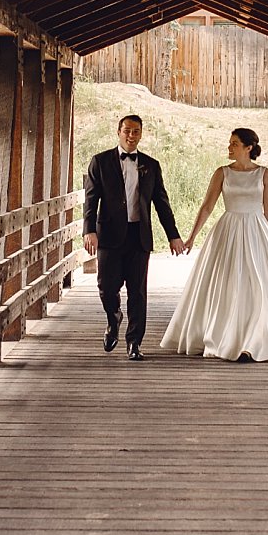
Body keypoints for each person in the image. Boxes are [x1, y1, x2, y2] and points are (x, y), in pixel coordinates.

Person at [159, 127, 268, 363]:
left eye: (234, 143)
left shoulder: (264, 174)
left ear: (248, 147)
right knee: (227, 283)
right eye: (230, 143)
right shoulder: (222, 173)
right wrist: (192, 237)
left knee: (259, 285)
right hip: (228, 229)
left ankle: (253, 341)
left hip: (257, 230)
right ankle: (225, 337)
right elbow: (207, 207)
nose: (229, 147)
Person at [82, 114, 184, 360]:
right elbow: (90, 200)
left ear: (141, 134)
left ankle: (134, 343)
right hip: (108, 236)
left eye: (136, 131)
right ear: (119, 132)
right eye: (127, 130)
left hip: (138, 237)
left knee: (137, 292)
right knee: (106, 287)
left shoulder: (151, 164)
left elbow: (162, 203)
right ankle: (113, 317)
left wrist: (173, 236)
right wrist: (89, 231)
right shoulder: (100, 162)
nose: (131, 135)